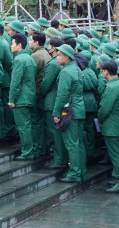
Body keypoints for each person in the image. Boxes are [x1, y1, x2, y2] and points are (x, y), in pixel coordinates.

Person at [52, 43, 86, 183]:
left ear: (67, 57)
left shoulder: (65, 72)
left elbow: (61, 95)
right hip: (79, 109)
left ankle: (74, 173)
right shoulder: (76, 69)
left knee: (71, 144)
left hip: (69, 110)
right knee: (78, 143)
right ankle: (81, 171)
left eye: (59, 55)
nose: (56, 57)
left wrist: (56, 112)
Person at [99, 60, 119, 192]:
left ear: (106, 71)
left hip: (112, 125)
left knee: (116, 154)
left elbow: (104, 108)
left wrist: (99, 119)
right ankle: (118, 178)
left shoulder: (111, 87)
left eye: (102, 71)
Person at [8, 34, 38, 160]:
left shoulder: (19, 60)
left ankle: (27, 151)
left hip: (21, 98)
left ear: (19, 45)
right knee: (29, 125)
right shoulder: (29, 58)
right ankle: (32, 149)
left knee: (23, 126)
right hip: (29, 95)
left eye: (13, 43)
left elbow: (15, 82)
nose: (11, 45)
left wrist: (11, 99)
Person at [30, 32, 51, 157]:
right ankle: (45, 147)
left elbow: (30, 76)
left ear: (37, 42)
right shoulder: (46, 54)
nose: (29, 42)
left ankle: (39, 148)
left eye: (31, 40)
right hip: (43, 92)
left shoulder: (36, 56)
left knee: (36, 122)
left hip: (37, 92)